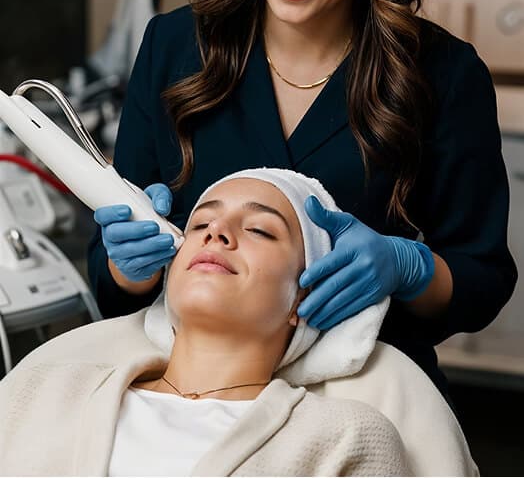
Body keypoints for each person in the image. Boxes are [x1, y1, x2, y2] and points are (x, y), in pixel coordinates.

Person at [88, 0, 517, 398]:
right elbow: (111, 287)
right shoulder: (176, 48)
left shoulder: (443, 76)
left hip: (366, 394)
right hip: (200, 393)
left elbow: (482, 281)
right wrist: (127, 266)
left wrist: (408, 268)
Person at [0, 169, 416, 477]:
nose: (217, 231)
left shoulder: (344, 439)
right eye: (198, 224)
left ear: (303, 299)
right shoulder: (42, 390)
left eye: (260, 230)